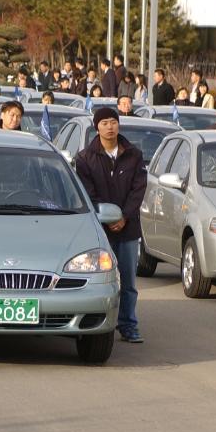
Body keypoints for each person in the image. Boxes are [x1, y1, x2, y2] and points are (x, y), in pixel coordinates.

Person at [74, 106, 147, 343]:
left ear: (119, 125)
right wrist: (105, 216)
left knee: (128, 281)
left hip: (128, 228)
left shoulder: (133, 155)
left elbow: (138, 190)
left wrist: (123, 216)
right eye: (104, 122)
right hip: (98, 230)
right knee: (99, 280)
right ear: (96, 127)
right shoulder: (85, 158)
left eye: (113, 122)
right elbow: (87, 193)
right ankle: (96, 324)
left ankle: (128, 325)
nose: (109, 126)